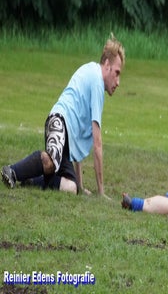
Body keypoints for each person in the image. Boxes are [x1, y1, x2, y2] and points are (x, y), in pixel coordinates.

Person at [1, 33, 125, 197]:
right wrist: (101, 192)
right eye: (117, 73)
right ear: (107, 64)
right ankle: (12, 171)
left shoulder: (91, 71)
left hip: (65, 133)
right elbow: (97, 143)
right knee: (52, 161)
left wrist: (80, 186)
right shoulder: (97, 81)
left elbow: (78, 138)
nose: (118, 82)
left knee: (71, 187)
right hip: (58, 121)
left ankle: (31, 179)